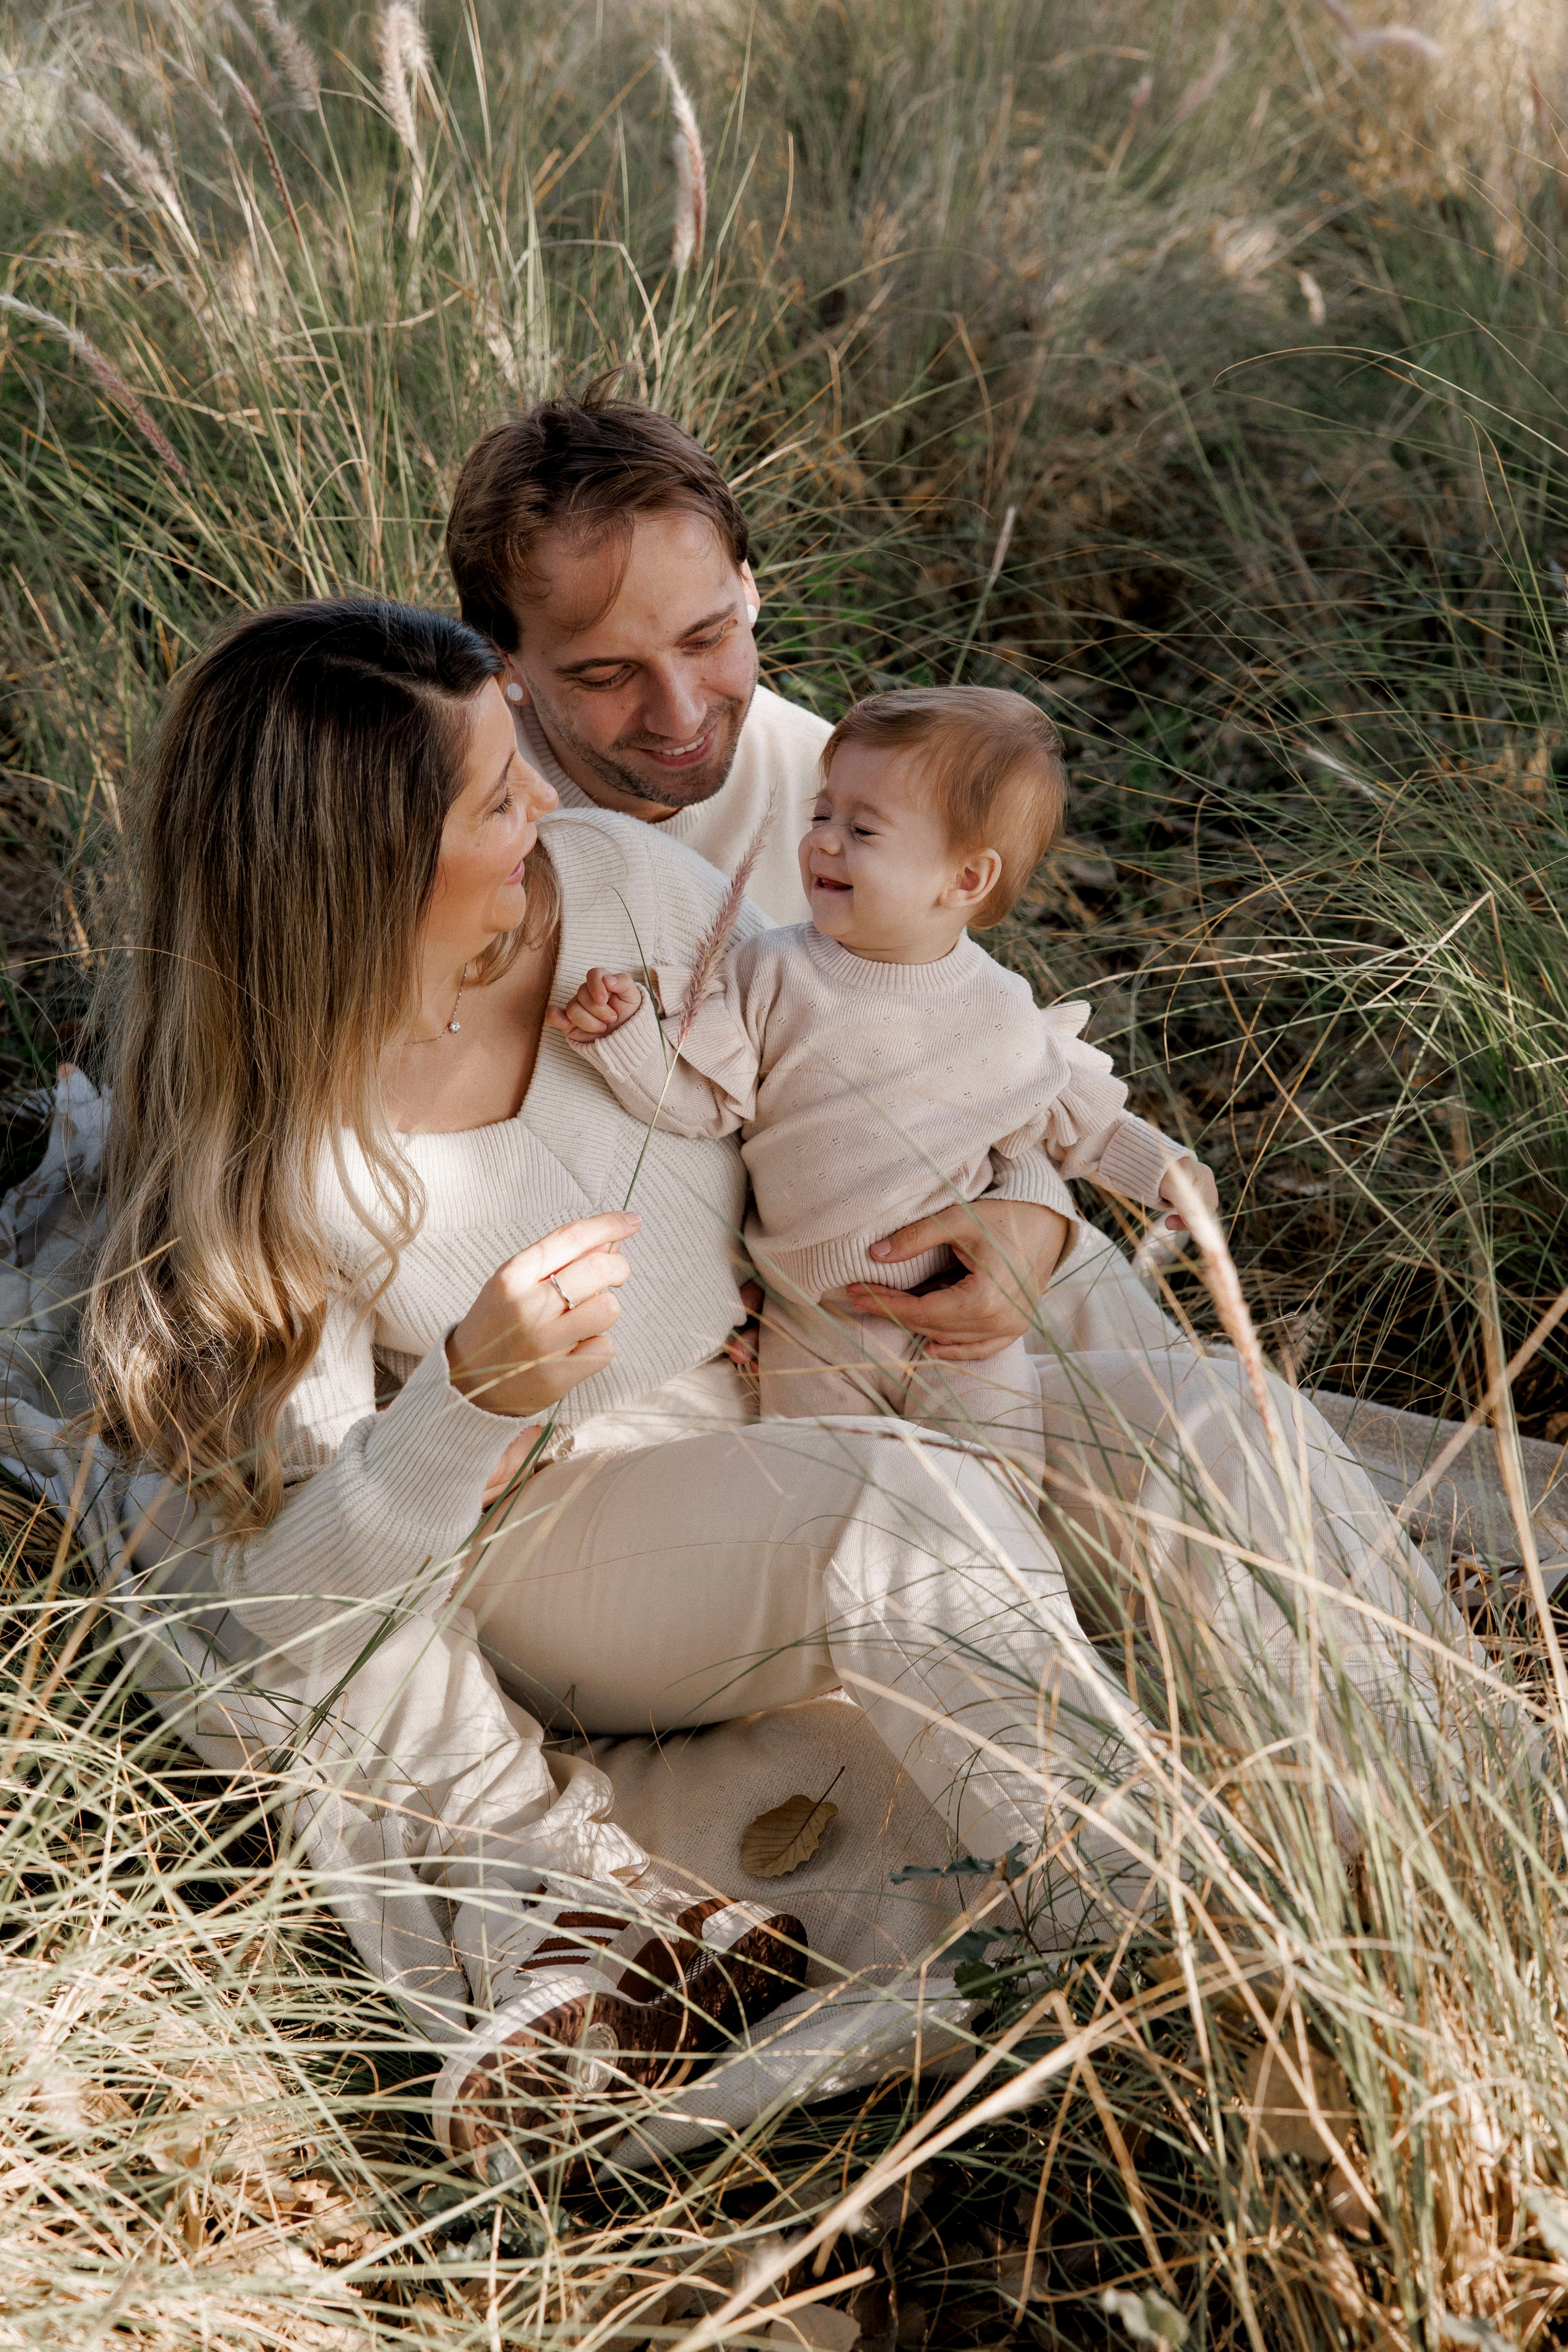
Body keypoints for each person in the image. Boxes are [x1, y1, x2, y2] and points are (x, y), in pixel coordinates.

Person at [72, 596, 1196, 2177]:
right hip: (589, 1541)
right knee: (895, 1510)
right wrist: (466, 1395)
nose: (545, 797)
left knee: (1209, 1423)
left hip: (811, 1383)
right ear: (363, 862)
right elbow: (293, 1598)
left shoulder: (613, 882)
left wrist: (1026, 1216)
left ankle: (1461, 1818)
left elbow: (882, 1052)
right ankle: (1161, 1925)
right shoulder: (274, 1156)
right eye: (491, 796)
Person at [551, 684, 1216, 1463]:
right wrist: (629, 1035)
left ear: (965, 881)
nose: (824, 842)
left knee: (992, 1479)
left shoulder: (998, 1011)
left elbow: (1080, 1119)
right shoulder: (772, 970)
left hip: (954, 1315)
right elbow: (702, 1104)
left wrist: (1166, 1172)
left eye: (861, 829)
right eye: (821, 816)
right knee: (834, 1479)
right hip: (813, 1318)